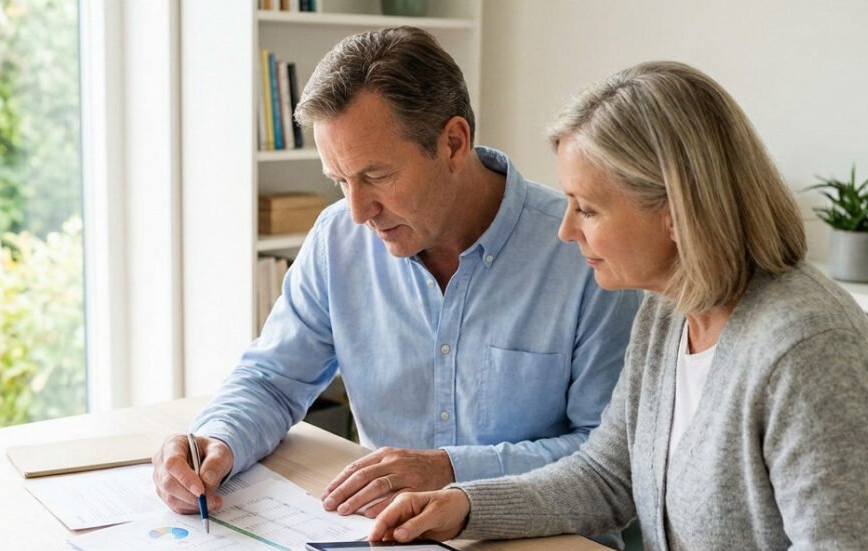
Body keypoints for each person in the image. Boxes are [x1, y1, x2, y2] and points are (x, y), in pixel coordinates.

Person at [369, 61, 868, 551]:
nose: (566, 230)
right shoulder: (668, 309)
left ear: (677, 213)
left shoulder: (807, 350)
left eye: (587, 209)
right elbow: (607, 475)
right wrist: (467, 506)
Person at [153, 27, 640, 522]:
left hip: (549, 549)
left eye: (376, 176)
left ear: (453, 144)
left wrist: (449, 471)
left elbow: (608, 460)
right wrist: (217, 439)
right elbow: (273, 381)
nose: (358, 211)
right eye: (340, 181)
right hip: (387, 543)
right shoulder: (337, 240)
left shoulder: (583, 251)